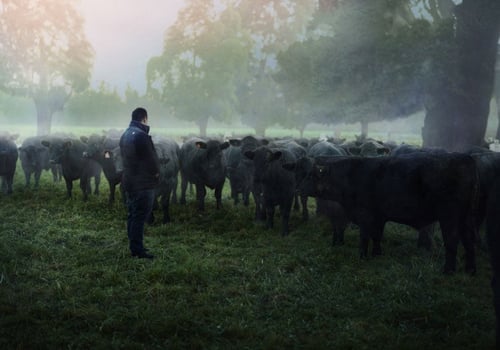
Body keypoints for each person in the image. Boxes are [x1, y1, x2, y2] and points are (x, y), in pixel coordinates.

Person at [120, 107, 160, 259]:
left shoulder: (125, 135)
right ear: (144, 118)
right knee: (139, 216)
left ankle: (134, 245)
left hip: (129, 180)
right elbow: (151, 160)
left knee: (132, 214)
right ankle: (137, 250)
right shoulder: (142, 136)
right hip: (143, 184)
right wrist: (156, 174)